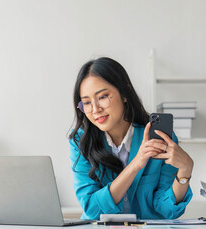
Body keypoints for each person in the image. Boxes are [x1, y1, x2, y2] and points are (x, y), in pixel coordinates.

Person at [68, 57, 194, 220]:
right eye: (86, 102)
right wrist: (135, 164)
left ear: (125, 94)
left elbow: (166, 209)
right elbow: (92, 209)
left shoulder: (158, 138)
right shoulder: (80, 141)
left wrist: (185, 171)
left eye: (103, 97)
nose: (95, 109)